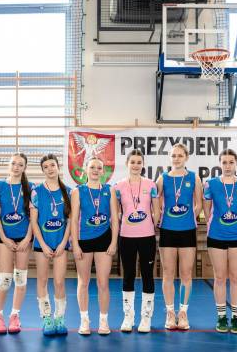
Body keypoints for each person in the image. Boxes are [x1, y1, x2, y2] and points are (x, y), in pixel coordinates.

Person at [203, 149, 237, 334]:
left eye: (231, 162)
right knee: (219, 277)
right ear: (220, 164)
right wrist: (218, 222)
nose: (228, 166)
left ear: (236, 163)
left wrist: (233, 217)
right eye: (224, 162)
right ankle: (222, 316)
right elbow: (207, 211)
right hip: (216, 235)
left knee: (236, 276)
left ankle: (236, 317)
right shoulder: (211, 184)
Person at [156, 143, 202, 331]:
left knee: (186, 273)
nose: (176, 159)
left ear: (186, 157)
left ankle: (183, 312)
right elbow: (155, 200)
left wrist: (188, 217)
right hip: (167, 230)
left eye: (180, 155)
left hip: (187, 230)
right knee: (168, 272)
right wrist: (160, 215)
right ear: (170, 158)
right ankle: (170, 312)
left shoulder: (194, 177)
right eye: (173, 156)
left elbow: (199, 204)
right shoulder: (163, 178)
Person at [71, 157, 119, 335]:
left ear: (103, 171)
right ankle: (84, 320)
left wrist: (113, 242)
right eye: (92, 167)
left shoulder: (109, 190)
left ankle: (103, 321)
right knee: (83, 282)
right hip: (84, 239)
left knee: (103, 282)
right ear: (86, 169)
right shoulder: (78, 191)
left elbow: (115, 218)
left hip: (104, 239)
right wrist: (75, 244)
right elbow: (73, 220)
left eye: (99, 168)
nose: (95, 170)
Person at [113, 149, 159, 333]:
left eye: (139, 162)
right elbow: (116, 212)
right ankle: (128, 316)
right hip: (126, 237)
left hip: (147, 237)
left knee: (148, 275)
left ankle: (146, 317)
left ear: (143, 164)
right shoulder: (118, 186)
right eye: (132, 162)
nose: (136, 165)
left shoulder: (151, 184)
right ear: (127, 164)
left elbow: (156, 210)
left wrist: (151, 226)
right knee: (128, 275)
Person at [0, 153, 34, 334]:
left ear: (25, 168)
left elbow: (33, 217)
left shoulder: (31, 188)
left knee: (21, 279)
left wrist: (27, 238)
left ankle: (15, 315)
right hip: (5, 239)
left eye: (20, 165)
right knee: (5, 279)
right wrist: (4, 238)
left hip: (24, 239)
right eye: (13, 163)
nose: (16, 167)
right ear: (9, 165)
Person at [30, 154, 72, 336]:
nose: (50, 169)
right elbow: (34, 221)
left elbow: (70, 221)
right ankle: (46, 317)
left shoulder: (68, 191)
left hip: (61, 244)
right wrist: (43, 244)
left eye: (52, 165)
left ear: (57, 166)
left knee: (59, 281)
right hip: (42, 244)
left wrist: (63, 243)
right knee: (42, 280)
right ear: (43, 170)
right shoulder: (36, 192)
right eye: (46, 167)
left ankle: (60, 317)